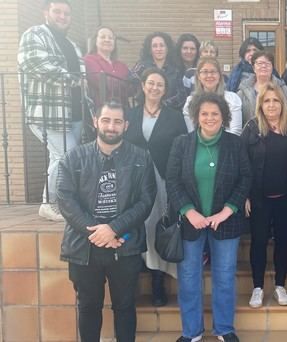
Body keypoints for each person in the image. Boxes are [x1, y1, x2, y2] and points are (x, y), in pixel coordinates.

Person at [57, 100, 156, 342]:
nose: (111, 126)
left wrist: (113, 229)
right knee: (88, 307)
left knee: (125, 306)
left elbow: (146, 201)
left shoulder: (141, 158)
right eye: (106, 120)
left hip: (124, 245)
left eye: (117, 121)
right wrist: (98, 232)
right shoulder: (74, 158)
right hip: (84, 247)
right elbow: (65, 200)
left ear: (126, 125)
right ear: (95, 121)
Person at [166, 92, 251, 342]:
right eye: (204, 113)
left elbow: (245, 178)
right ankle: (191, 332)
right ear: (196, 116)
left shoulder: (235, 144)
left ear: (224, 116)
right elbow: (172, 181)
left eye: (215, 113)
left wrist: (227, 210)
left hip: (226, 222)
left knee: (224, 277)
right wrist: (188, 211)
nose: (210, 118)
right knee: (189, 278)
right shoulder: (182, 143)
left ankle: (224, 328)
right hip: (191, 223)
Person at [18, 0, 88, 221]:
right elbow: (35, 64)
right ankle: (49, 203)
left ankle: (62, 201)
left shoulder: (71, 44)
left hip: (74, 113)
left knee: (63, 158)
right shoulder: (34, 34)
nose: (62, 16)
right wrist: (73, 80)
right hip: (48, 112)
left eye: (66, 13)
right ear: (46, 12)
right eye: (57, 11)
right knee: (64, 156)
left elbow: (83, 80)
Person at [124, 68, 187, 307]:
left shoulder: (174, 116)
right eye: (151, 83)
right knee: (134, 225)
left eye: (160, 85)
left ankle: (157, 281)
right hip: (133, 181)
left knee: (154, 227)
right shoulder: (129, 114)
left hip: (162, 179)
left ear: (165, 89)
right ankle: (133, 278)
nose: (154, 88)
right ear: (143, 86)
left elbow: (181, 149)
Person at [241, 83, 287, 309]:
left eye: (275, 100)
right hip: (259, 198)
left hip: (286, 197)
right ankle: (257, 287)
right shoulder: (252, 128)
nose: (271, 105)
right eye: (267, 101)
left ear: (282, 103)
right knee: (258, 242)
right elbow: (244, 165)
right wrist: (245, 195)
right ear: (260, 104)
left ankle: (280, 285)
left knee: (284, 241)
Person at [237, 51, 287, 125]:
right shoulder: (242, 93)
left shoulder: (285, 91)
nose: (263, 66)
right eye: (260, 63)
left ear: (272, 67)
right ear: (253, 67)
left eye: (267, 63)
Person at [183, 57, 242, 135]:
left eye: (213, 72)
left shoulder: (232, 99)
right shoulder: (190, 102)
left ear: (219, 76)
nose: (209, 75)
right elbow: (191, 133)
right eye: (205, 72)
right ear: (199, 77)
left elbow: (236, 132)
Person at [132, 32, 186, 110]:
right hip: (145, 109)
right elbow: (132, 77)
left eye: (162, 45)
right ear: (150, 50)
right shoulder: (142, 66)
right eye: (154, 46)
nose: (158, 49)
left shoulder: (175, 69)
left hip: (169, 111)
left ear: (167, 48)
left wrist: (164, 103)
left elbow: (181, 94)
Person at [84, 26, 132, 113]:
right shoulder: (88, 60)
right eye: (103, 37)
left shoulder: (122, 65)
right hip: (101, 113)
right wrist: (124, 84)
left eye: (111, 38)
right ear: (95, 41)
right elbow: (103, 83)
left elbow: (133, 88)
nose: (107, 40)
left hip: (123, 113)